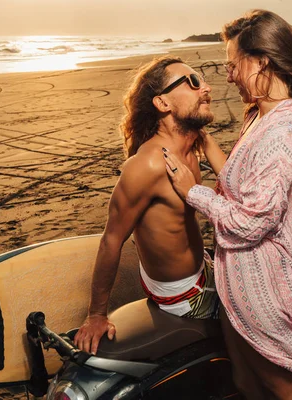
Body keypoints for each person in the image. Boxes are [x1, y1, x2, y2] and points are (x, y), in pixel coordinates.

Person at [163, 10, 292, 400]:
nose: (227, 76)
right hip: (237, 281)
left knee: (284, 390)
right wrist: (207, 141)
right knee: (246, 382)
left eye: (233, 65)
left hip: (264, 288)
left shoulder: (282, 133)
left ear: (261, 61)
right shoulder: (259, 114)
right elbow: (243, 182)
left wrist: (192, 191)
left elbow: (252, 221)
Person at [73, 56, 220, 355]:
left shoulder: (194, 141)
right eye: (192, 82)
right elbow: (112, 239)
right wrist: (96, 316)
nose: (205, 87)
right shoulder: (149, 165)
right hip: (184, 294)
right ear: (163, 103)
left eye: (202, 80)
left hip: (200, 265)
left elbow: (235, 180)